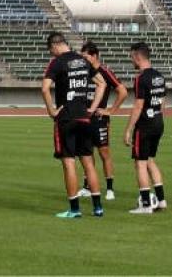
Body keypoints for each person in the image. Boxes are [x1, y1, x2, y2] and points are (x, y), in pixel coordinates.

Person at [41, 32, 106, 219]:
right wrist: (92, 108)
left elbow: (45, 88)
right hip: (85, 117)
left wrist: (51, 110)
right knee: (88, 162)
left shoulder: (57, 62)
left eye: (51, 51)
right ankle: (98, 207)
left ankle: (75, 209)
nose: (52, 55)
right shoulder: (83, 60)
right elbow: (101, 84)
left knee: (69, 163)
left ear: (54, 46)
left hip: (66, 118)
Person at [79, 41, 128, 201]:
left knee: (104, 152)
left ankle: (110, 188)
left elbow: (122, 91)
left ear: (94, 56)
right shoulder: (84, 72)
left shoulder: (105, 72)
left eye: (85, 57)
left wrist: (110, 111)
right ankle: (87, 187)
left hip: (100, 119)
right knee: (86, 152)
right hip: (85, 118)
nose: (83, 60)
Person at [124, 42, 168, 214]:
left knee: (140, 164)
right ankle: (161, 200)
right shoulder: (159, 76)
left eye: (131, 57)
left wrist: (129, 129)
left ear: (137, 56)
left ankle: (145, 204)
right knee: (150, 160)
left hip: (145, 125)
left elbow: (138, 106)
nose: (131, 61)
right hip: (158, 121)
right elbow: (163, 101)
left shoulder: (141, 78)